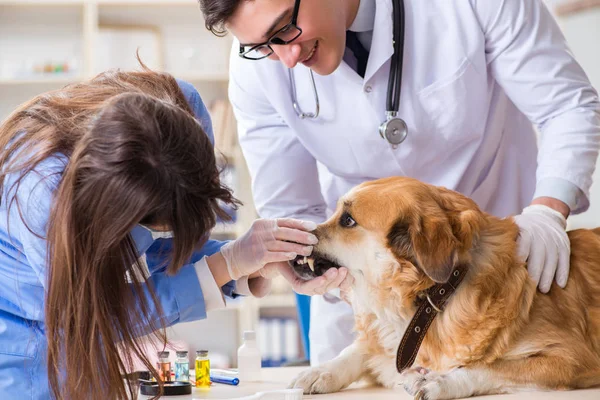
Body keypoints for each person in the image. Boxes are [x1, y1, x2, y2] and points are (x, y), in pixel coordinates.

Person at [198, 0, 600, 365]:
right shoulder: (257, 64)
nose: (286, 58)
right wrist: (300, 260)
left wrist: (548, 210)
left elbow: (567, 105)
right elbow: (290, 206)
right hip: (364, 295)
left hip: (493, 268)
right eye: (263, 45)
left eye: (286, 25)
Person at [0, 69, 335, 400]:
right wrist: (225, 266)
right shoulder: (43, 194)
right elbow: (96, 311)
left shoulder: (184, 111)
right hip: (32, 336)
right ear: (121, 211)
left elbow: (164, 247)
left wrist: (251, 266)